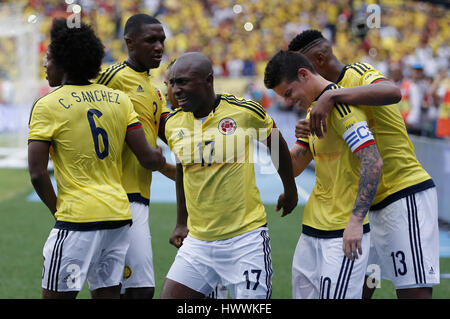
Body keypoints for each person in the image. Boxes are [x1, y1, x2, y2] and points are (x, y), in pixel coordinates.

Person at [289, 30, 440, 299]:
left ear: (320, 59)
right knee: (357, 291)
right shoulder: (318, 105)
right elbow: (295, 165)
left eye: (303, 69)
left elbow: (392, 92)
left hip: (401, 195)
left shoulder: (358, 72)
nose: (302, 77)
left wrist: (332, 96)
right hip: (365, 206)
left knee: (413, 292)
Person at [28, 18, 165, 299]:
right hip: (117, 216)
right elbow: (149, 158)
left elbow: (37, 173)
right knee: (108, 293)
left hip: (77, 219)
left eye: (49, 57)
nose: (45, 64)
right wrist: (159, 155)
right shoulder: (119, 100)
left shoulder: (47, 105)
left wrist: (58, 211)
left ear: (64, 61)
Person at [160, 52, 298, 299]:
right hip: (198, 242)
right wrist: (182, 222)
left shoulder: (243, 111)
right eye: (173, 83)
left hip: (245, 240)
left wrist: (290, 190)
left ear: (208, 80)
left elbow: (276, 144)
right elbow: (183, 170)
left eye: (183, 82)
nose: (175, 90)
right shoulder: (173, 123)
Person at [264, 50, 383, 299]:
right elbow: (294, 167)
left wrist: (355, 222)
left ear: (304, 74)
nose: (288, 101)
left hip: (342, 234)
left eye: (288, 93)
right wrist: (269, 137)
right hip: (312, 230)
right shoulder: (314, 113)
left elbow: (373, 162)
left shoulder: (340, 109)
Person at [96, 13, 175, 299]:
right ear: (129, 42)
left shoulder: (154, 91)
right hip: (114, 195)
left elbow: (172, 132)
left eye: (162, 40)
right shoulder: (111, 77)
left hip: (138, 196)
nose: (159, 47)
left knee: (137, 288)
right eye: (150, 40)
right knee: (124, 289)